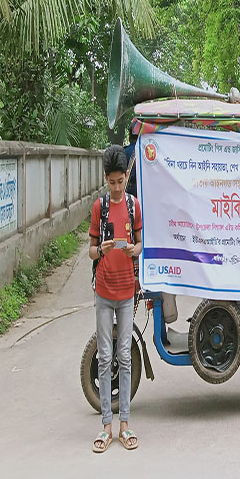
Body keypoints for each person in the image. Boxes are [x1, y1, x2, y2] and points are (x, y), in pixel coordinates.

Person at [90, 145, 143, 453]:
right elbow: (91, 251)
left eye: (120, 181)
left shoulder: (135, 207)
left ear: (126, 177)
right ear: (106, 180)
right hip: (103, 291)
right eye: (111, 182)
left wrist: (131, 250)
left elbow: (139, 244)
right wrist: (104, 250)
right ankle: (105, 428)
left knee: (125, 357)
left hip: (126, 293)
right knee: (104, 357)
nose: (116, 186)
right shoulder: (100, 208)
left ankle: (125, 425)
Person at [124, 121, 138, 197]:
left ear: (129, 136)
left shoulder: (125, 152)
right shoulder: (145, 152)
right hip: (142, 190)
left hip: (128, 190)